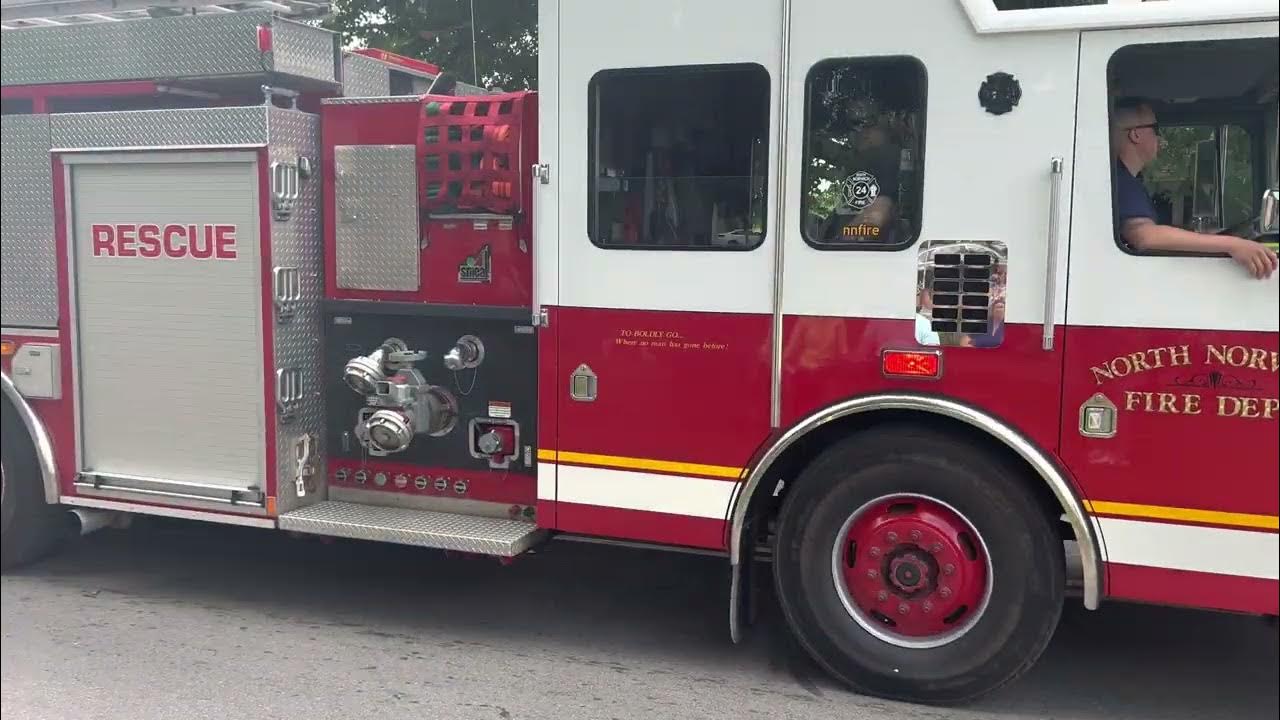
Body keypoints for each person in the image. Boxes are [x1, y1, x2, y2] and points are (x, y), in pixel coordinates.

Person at [1111, 98, 1277, 279]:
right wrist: (1233, 244)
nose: (1160, 137)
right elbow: (1144, 236)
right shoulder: (1122, 181)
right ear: (1135, 135)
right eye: (1155, 129)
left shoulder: (1128, 180)